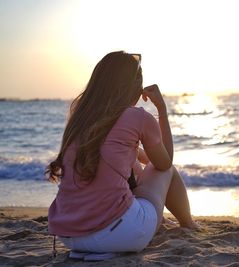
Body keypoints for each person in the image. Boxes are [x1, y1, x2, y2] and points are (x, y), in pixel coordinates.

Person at [46, 51, 197, 256]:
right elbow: (165, 163)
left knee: (132, 166)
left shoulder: (81, 117)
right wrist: (162, 109)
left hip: (70, 237)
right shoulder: (138, 117)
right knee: (166, 171)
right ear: (134, 86)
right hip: (118, 234)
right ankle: (188, 224)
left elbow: (128, 155)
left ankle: (154, 221)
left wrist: (138, 154)